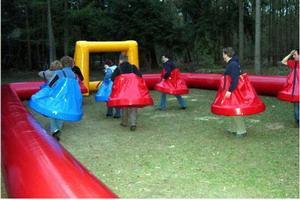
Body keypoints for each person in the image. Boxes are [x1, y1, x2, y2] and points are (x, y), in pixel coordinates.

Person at [211, 47, 265, 137]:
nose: (222, 56)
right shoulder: (231, 63)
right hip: (233, 90)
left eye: (223, 54)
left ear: (226, 54)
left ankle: (241, 131)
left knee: (235, 109)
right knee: (231, 109)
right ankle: (233, 128)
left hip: (234, 91)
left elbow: (235, 80)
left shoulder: (233, 64)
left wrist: (229, 91)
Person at [29, 56, 83, 141]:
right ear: (72, 65)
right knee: (61, 112)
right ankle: (57, 129)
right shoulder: (75, 76)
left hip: (57, 96)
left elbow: (50, 85)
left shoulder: (59, 73)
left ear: (62, 64)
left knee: (53, 112)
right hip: (67, 99)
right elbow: (76, 90)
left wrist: (39, 95)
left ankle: (55, 130)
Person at [109, 54, 153, 131]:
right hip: (134, 91)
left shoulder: (118, 68)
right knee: (133, 107)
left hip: (123, 91)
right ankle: (133, 123)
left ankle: (124, 122)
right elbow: (140, 76)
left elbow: (113, 78)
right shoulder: (133, 67)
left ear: (120, 60)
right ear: (127, 59)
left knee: (124, 106)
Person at [277, 49, 299, 127]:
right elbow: (283, 61)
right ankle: (298, 122)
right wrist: (290, 54)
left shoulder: (295, 64)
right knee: (296, 107)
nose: (293, 56)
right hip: (296, 91)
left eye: (295, 55)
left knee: (297, 107)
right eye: (293, 55)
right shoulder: (294, 63)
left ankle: (298, 122)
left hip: (296, 91)